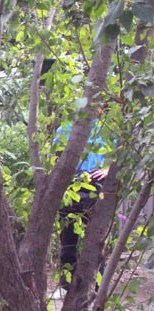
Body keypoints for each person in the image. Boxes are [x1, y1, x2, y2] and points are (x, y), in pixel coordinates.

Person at [51, 122, 109, 299]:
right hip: (73, 184)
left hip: (97, 183)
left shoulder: (106, 128)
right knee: (68, 237)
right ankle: (65, 285)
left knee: (96, 239)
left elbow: (120, 156)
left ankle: (96, 286)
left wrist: (108, 169)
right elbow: (57, 157)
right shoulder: (65, 128)